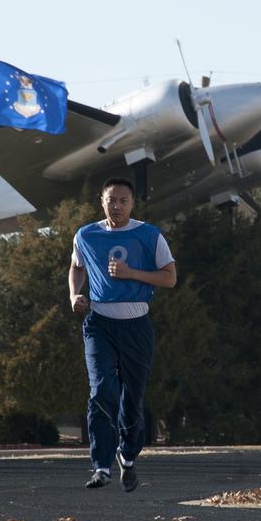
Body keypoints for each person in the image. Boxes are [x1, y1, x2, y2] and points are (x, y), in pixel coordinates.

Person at [69, 177, 177, 491]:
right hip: (99, 324)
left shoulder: (149, 234)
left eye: (123, 200)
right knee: (102, 389)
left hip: (136, 326)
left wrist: (132, 273)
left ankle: (127, 456)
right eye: (111, 200)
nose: (116, 205)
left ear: (132, 203)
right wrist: (75, 295)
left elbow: (170, 278)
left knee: (132, 398)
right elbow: (77, 267)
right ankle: (100, 465)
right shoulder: (86, 235)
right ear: (102, 201)